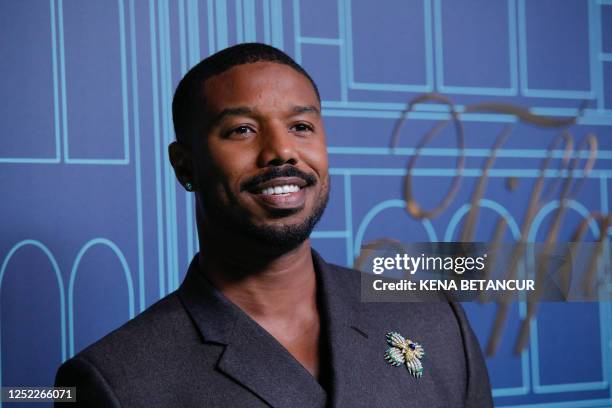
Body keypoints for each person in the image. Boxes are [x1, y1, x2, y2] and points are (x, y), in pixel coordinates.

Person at [55, 43, 493, 407]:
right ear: (184, 165)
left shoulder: (437, 323)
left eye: (301, 126)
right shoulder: (113, 382)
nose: (281, 151)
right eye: (242, 130)